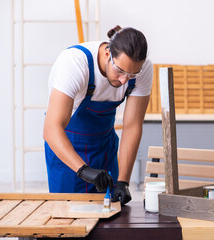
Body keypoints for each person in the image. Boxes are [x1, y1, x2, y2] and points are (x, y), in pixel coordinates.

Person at [43, 25, 152, 205]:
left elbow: (132, 126)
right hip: (68, 148)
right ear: (108, 53)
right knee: (68, 218)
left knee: (110, 218)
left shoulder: (142, 69)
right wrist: (83, 170)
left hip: (105, 148)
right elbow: (51, 129)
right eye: (120, 71)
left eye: (132, 75)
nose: (124, 80)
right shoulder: (75, 63)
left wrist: (123, 181)